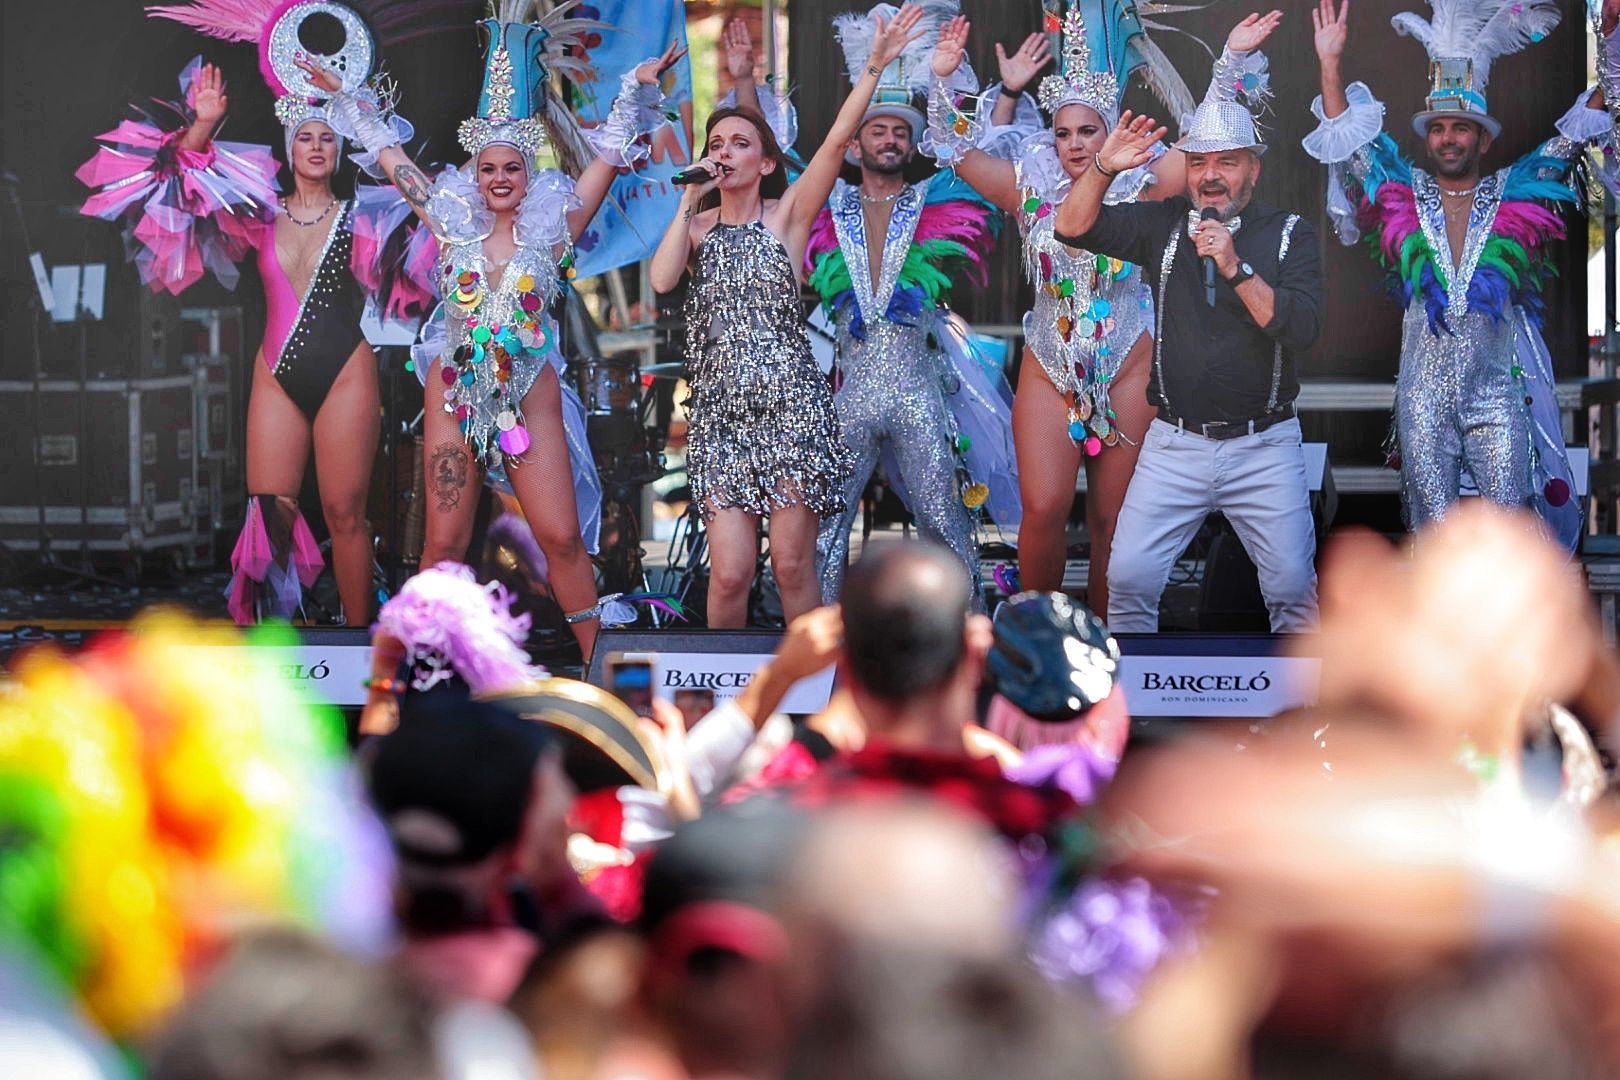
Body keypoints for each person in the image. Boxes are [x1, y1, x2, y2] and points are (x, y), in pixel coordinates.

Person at [311, 4, 682, 654]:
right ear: (475, 176)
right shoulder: (449, 222)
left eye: (512, 168)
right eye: (489, 169)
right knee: (443, 542)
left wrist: (635, 91)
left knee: (561, 539)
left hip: (527, 395)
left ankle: (599, 663)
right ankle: (413, 667)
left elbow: (603, 159)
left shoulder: (553, 228)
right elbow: (389, 155)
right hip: (454, 394)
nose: (501, 179)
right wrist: (348, 102)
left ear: (528, 173)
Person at [81, 1, 428, 625]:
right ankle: (276, 656)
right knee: (269, 509)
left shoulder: (365, 220)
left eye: (328, 137)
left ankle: (357, 650)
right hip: (276, 375)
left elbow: (430, 208)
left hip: (346, 373)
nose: (317, 146)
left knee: (347, 515)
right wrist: (203, 125)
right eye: (306, 137)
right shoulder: (256, 213)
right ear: (289, 144)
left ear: (340, 144)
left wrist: (366, 121)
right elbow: (175, 189)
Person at [927, 7, 1283, 614]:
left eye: (1087, 133)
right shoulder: (1027, 184)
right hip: (1050, 363)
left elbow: (1208, 146)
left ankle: (1109, 650)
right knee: (1041, 510)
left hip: (1129, 364)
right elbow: (956, 150)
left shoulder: (1143, 184)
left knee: (1112, 520)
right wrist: (943, 82)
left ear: (1110, 132)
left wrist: (1226, 67)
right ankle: (1038, 645)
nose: (1073, 145)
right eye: (1063, 134)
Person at [650, 7, 933, 628]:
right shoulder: (696, 226)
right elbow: (663, 279)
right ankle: (725, 708)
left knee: (791, 568)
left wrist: (877, 65)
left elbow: (836, 141)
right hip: (721, 416)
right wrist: (685, 200)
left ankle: (808, 695)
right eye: (716, 144)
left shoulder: (787, 215)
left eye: (739, 143)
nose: (724, 153)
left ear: (768, 163)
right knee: (728, 574)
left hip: (790, 414)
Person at [1305, 0, 1619, 550]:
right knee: (1433, 547)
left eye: (1462, 128)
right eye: (1439, 129)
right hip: (1421, 402)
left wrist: (1612, 47)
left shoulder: (1514, 192)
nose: (1449, 138)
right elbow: (1354, 147)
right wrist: (1329, 65)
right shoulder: (1406, 194)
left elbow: (1579, 129)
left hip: (1497, 396)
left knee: (1507, 545)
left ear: (1484, 138)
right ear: (1428, 138)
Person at [1052, 42, 1324, 634]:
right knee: (1128, 581)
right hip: (1174, 445)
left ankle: (1302, 726)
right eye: (1199, 163)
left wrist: (1235, 267)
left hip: (1264, 445)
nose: (1210, 177)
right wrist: (1104, 167)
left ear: (1252, 167)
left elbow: (1301, 330)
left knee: (1292, 593)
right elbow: (1069, 227)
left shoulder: (1288, 235)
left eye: (1226, 163)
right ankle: (1130, 720)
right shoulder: (1163, 225)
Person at [780, 3, 1017, 607]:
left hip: (917, 391)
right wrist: (739, 86)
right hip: (849, 392)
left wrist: (1007, 93)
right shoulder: (827, 202)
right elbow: (773, 161)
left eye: (901, 132)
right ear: (855, 144)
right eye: (878, 129)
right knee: (828, 528)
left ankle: (965, 635)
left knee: (945, 519)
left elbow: (989, 170)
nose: (890, 139)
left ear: (913, 144)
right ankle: (824, 643)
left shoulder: (932, 200)